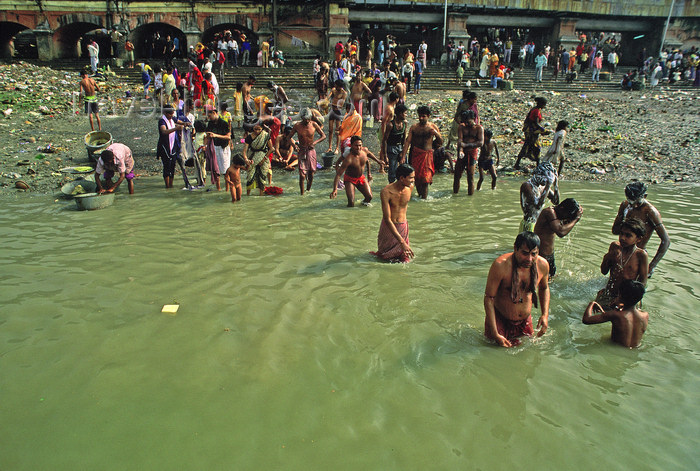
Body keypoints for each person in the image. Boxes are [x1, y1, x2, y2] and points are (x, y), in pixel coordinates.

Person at [484, 232, 550, 347]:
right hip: (500, 319)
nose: (529, 259)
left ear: (538, 252)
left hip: (524, 321)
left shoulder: (542, 265)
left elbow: (544, 288)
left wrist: (545, 315)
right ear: (515, 248)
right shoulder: (501, 265)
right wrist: (495, 333)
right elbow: (489, 298)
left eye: (533, 254)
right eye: (524, 253)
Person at [612, 181, 670, 276]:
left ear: (645, 196)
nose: (634, 206)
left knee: (634, 288)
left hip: (638, 257)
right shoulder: (625, 205)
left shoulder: (650, 212)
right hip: (622, 253)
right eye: (631, 201)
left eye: (637, 202)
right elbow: (615, 231)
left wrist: (651, 266)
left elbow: (666, 241)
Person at [596, 217, 649, 310]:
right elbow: (604, 271)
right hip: (609, 293)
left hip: (626, 299)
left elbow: (642, 282)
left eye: (628, 235)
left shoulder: (641, 255)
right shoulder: (614, 246)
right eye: (621, 234)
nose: (622, 238)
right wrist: (608, 257)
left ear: (638, 239)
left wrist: (632, 301)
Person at [583, 280, 649, 348]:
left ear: (620, 295)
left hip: (614, 350)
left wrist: (592, 303)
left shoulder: (616, 315)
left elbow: (586, 319)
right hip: (635, 350)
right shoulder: (645, 315)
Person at [371, 163, 415, 263]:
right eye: (411, 178)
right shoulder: (386, 192)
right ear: (401, 178)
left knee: (405, 259)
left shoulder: (410, 188)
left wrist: (403, 242)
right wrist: (402, 242)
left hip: (403, 226)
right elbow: (387, 219)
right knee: (384, 258)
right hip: (389, 228)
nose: (413, 180)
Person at [534, 198, 583, 277]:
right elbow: (561, 232)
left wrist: (573, 217)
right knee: (541, 281)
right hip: (541, 255)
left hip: (549, 255)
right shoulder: (549, 212)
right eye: (566, 215)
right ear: (561, 208)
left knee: (551, 279)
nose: (564, 218)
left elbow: (563, 227)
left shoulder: (558, 215)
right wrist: (576, 219)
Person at [401, 105, 442, 199]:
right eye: (419, 116)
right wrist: (403, 156)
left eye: (423, 116)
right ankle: (421, 197)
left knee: (426, 179)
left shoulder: (432, 127)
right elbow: (408, 142)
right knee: (416, 178)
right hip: (415, 154)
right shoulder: (414, 127)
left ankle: (424, 198)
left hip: (427, 155)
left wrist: (435, 133)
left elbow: (441, 141)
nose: (421, 118)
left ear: (428, 116)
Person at [330, 136, 384, 207]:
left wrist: (378, 161)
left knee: (369, 197)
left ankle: (362, 205)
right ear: (351, 145)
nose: (358, 148)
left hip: (361, 178)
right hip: (350, 180)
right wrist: (335, 189)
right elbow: (338, 175)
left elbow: (369, 155)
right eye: (356, 146)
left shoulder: (364, 151)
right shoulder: (349, 159)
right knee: (351, 203)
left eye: (360, 145)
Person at [290, 108, 326, 195]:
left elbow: (323, 136)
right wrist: (294, 146)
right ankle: (302, 194)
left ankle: (308, 190)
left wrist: (315, 143)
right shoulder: (297, 126)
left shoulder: (314, 124)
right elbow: (288, 137)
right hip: (301, 150)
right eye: (305, 119)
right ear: (302, 118)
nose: (307, 121)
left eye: (309, 119)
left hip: (311, 150)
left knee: (311, 173)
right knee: (302, 175)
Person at [520, 162, 558, 232]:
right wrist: (548, 185)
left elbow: (556, 202)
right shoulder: (527, 186)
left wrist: (556, 184)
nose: (546, 181)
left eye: (548, 179)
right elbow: (538, 206)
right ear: (538, 174)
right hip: (529, 224)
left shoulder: (543, 187)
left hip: (538, 224)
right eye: (546, 178)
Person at [454, 109, 483, 195]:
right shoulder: (462, 127)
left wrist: (466, 145)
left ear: (473, 118)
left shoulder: (479, 128)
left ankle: (470, 197)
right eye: (465, 122)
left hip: (472, 153)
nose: (466, 124)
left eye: (468, 121)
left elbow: (480, 143)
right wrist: (461, 150)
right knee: (457, 175)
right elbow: (460, 141)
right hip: (462, 152)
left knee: (470, 177)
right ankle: (455, 194)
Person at [514, 96, 548, 169]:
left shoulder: (536, 109)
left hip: (532, 131)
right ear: (541, 104)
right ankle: (537, 165)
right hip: (531, 132)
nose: (545, 106)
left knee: (528, 146)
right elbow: (536, 123)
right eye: (544, 104)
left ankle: (518, 163)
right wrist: (543, 130)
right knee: (534, 146)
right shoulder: (536, 111)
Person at [204, 106, 232, 191]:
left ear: (214, 113)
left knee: (226, 171)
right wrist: (204, 146)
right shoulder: (210, 124)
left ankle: (227, 190)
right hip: (214, 148)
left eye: (210, 116)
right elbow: (207, 136)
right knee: (216, 170)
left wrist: (216, 135)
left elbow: (228, 137)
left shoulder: (224, 123)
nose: (209, 118)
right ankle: (218, 189)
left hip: (224, 148)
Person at [157, 106, 184, 189]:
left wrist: (186, 124)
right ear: (165, 113)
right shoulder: (162, 121)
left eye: (172, 114)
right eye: (170, 114)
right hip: (165, 146)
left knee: (172, 166)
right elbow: (164, 131)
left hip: (173, 146)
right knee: (167, 166)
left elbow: (180, 122)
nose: (172, 115)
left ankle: (171, 185)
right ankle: (167, 186)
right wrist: (176, 128)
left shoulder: (172, 119)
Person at [381, 103, 408, 183]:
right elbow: (384, 140)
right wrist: (385, 155)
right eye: (405, 113)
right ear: (400, 114)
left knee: (405, 168)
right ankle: (392, 186)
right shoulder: (390, 125)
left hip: (400, 147)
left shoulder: (404, 123)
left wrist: (403, 152)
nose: (406, 115)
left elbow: (404, 138)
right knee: (392, 170)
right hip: (391, 148)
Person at [243, 124, 272, 195]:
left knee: (262, 176)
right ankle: (248, 195)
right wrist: (246, 159)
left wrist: (263, 159)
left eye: (259, 129)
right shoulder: (249, 137)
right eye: (255, 129)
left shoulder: (265, 135)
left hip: (263, 156)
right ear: (253, 128)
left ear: (262, 128)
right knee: (250, 176)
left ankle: (261, 194)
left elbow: (271, 149)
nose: (257, 131)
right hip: (252, 157)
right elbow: (244, 151)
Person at [327, 80, 348, 153]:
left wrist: (332, 104)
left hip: (338, 112)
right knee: (330, 130)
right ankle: (330, 147)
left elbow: (341, 104)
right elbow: (328, 98)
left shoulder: (344, 93)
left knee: (337, 131)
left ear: (340, 86)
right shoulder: (333, 90)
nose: (335, 87)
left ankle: (337, 148)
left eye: (336, 85)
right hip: (332, 111)